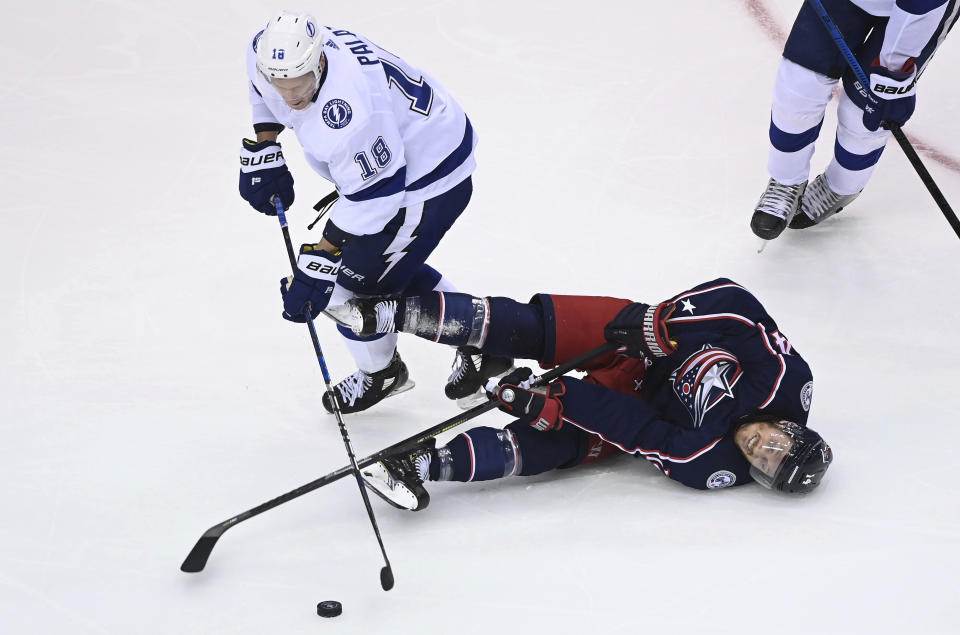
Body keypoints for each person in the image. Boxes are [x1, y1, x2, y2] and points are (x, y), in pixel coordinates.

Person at [319, 278, 833, 510]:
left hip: (637, 398)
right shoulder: (786, 381)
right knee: (547, 327)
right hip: (655, 339)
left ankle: (425, 466)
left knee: (562, 442)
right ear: (790, 429)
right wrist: (662, 323)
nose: (761, 452)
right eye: (777, 447)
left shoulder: (709, 465)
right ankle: (392, 312)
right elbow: (739, 306)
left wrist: (555, 398)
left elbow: (635, 428)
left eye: (766, 467)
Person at [239, 11, 480, 413]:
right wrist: (266, 142)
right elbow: (261, 91)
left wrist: (324, 253)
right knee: (380, 268)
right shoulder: (265, 56)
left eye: (299, 86)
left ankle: (386, 372)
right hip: (396, 162)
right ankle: (479, 340)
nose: (290, 96)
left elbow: (378, 196)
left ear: (318, 62)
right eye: (281, 85)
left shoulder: (349, 113)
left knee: (348, 286)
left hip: (427, 180)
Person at [751, 0, 959, 239]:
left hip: (917, 14)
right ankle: (785, 179)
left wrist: (892, 76)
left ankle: (841, 187)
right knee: (800, 84)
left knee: (864, 112)